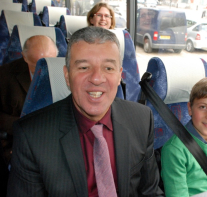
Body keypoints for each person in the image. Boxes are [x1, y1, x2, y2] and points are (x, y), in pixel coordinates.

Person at [7, 27, 163, 197]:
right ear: (67, 76)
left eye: (108, 68)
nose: (96, 78)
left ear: (119, 76)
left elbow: (150, 192)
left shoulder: (141, 119)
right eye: (83, 67)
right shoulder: (32, 137)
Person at [0, 35, 58, 197]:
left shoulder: (66, 73)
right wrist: (23, 130)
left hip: (54, 140)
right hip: (15, 141)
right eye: (38, 64)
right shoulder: (4, 76)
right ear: (24, 57)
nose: (45, 68)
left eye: (49, 61)